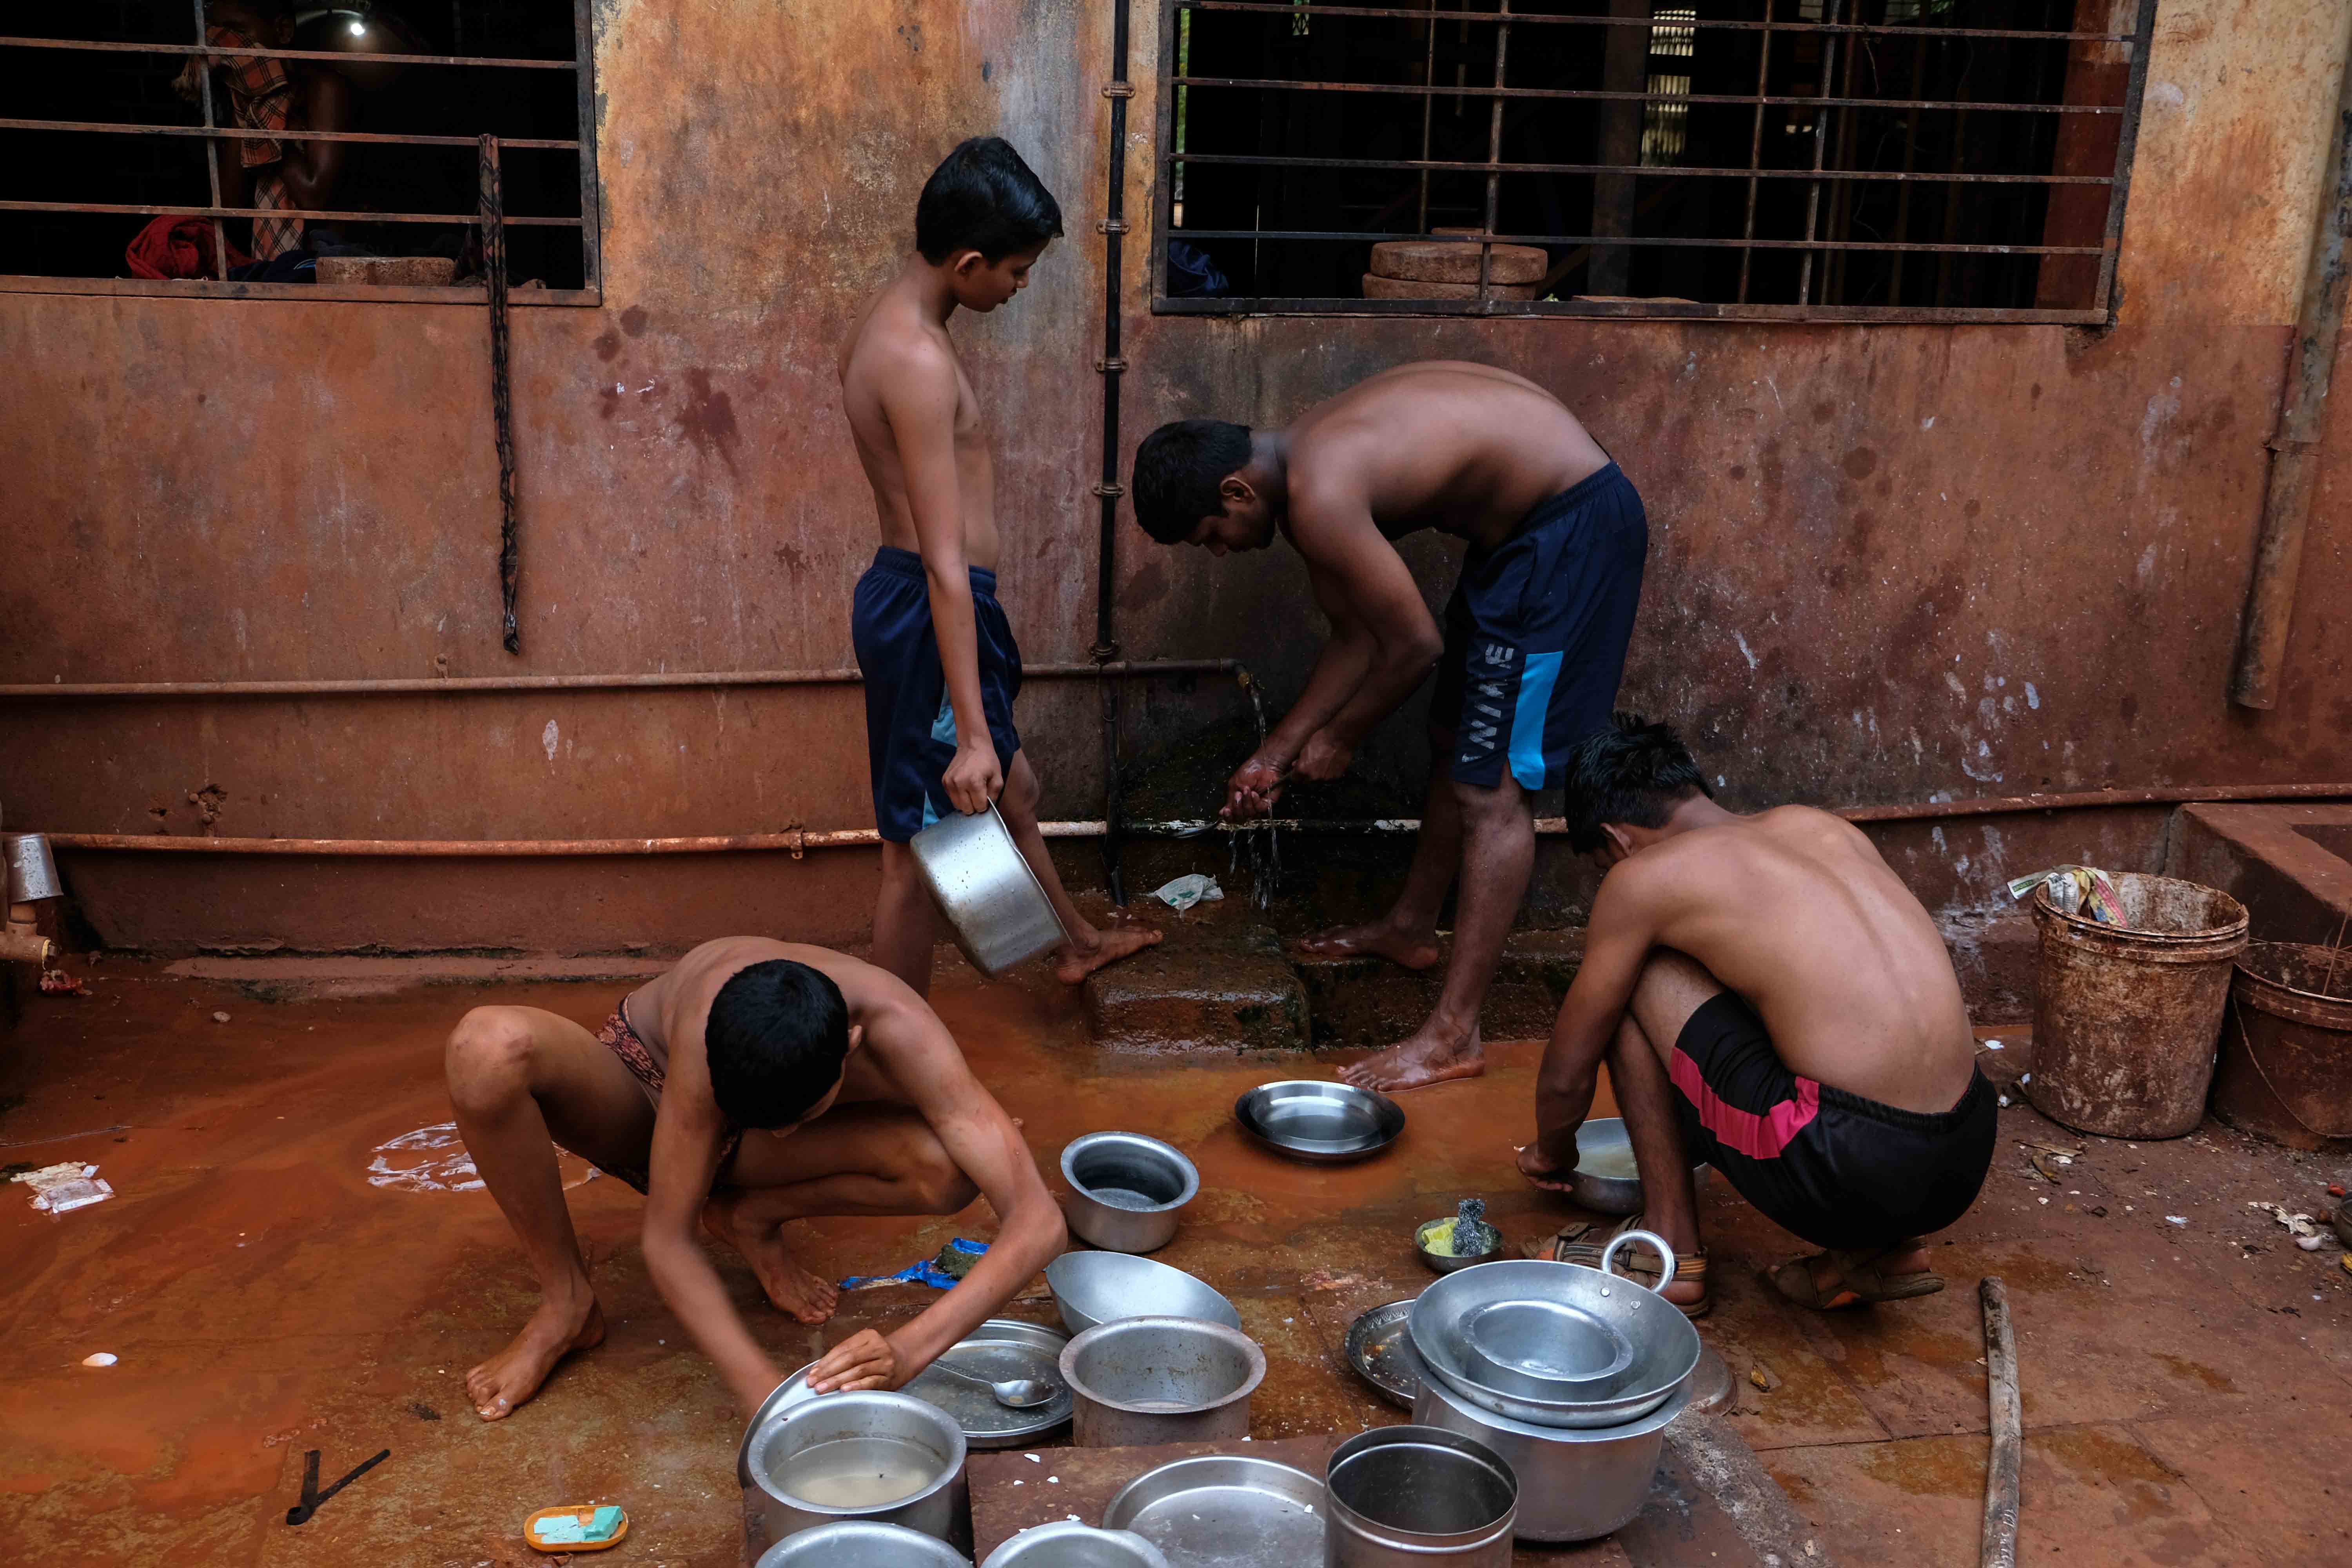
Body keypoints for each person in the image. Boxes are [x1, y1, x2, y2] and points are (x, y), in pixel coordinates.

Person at [1129, 362, 1646, 1090]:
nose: (1221, 552)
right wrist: (1270, 758)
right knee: (1456, 741)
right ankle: (1410, 928)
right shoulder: (1304, 464)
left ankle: (1454, 1035)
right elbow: (1355, 639)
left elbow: (1413, 647)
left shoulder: (1320, 492)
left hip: (1570, 534)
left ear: (1236, 491)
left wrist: (1341, 737)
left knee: (1494, 790)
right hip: (1522, 542)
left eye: (1212, 536)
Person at [443, 936, 1067, 1421]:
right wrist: (771, 1400)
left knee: (957, 1167)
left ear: (850, 1047)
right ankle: (566, 1303)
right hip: (645, 1102)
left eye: (801, 1118)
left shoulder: (902, 1026)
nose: (792, 1134)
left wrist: (909, 1348)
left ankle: (749, 1215)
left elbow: (1037, 1222)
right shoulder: (708, 1031)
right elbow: (668, 1238)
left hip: (744, 1151)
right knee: (486, 1047)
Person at [1516, 717, 1995, 1316]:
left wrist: (1551, 1152)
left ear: (1618, 841)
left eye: (1602, 864)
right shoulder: (1818, 827)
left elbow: (1568, 1072)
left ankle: (1669, 1253)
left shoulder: (1642, 880)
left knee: (1632, 974)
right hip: (1967, 1148)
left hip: (1846, 1162)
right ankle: (1885, 1252)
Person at [838, 136, 1159, 995]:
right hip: (928, 603)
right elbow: (944, 562)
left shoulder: (902, 324)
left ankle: (1075, 940)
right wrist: (970, 730)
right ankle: (894, 1058)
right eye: (1016, 272)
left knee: (1016, 785)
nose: (1018, 289)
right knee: (915, 853)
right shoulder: (914, 358)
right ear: (970, 260)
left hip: (939, 603)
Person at [181, 0, 352, 262]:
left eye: (237, 32)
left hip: (327, 262)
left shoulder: (322, 87)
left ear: (283, 31)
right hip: (269, 265)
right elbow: (230, 206)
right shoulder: (245, 98)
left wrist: (267, 123)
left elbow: (314, 195)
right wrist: (251, 107)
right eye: (217, 34)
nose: (226, 45)